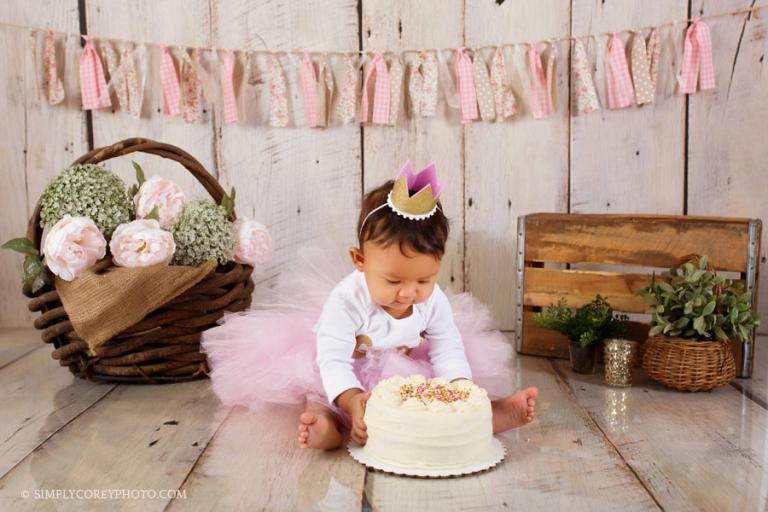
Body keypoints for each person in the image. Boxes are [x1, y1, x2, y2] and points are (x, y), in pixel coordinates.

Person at [202, 161, 538, 451]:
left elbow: (448, 346)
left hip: (406, 364)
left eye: (424, 280)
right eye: (393, 282)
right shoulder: (347, 301)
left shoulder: (432, 301)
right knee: (318, 392)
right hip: (350, 368)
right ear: (359, 260)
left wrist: (460, 391)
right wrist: (350, 398)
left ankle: (484, 416)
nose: (409, 294)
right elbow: (332, 358)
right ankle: (328, 426)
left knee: (438, 395)